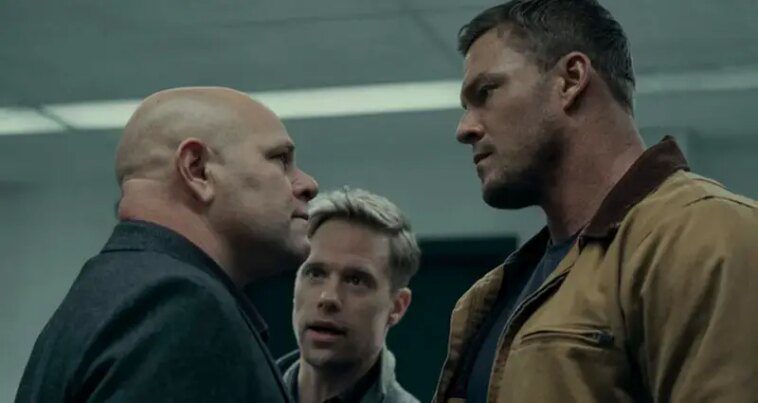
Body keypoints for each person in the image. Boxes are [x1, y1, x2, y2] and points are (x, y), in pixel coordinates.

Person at [433, 1, 758, 402]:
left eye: (486, 92)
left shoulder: (707, 236)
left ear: (570, 80)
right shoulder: (491, 297)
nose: (464, 128)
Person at [16, 87, 318, 402]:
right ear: (197, 169)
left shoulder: (105, 293)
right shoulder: (180, 305)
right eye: (280, 159)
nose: (308, 185)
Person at [278, 188, 421, 403]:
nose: (328, 297)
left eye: (355, 280)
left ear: (397, 306)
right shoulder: (242, 391)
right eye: (316, 273)